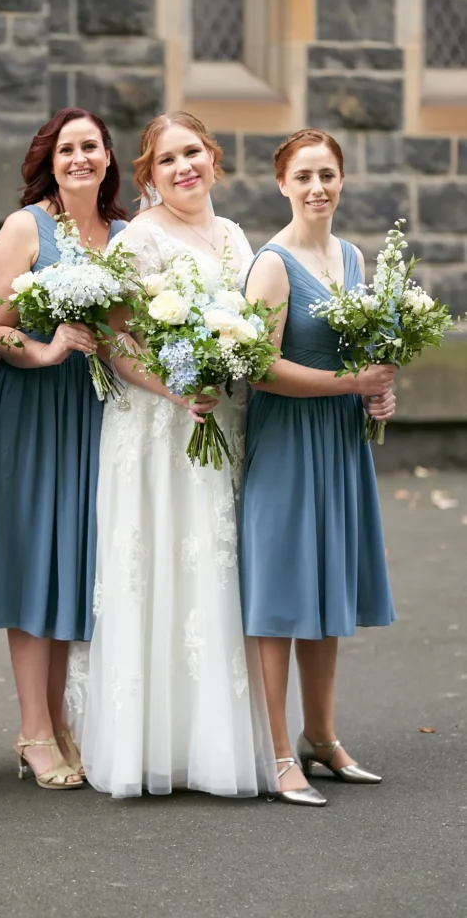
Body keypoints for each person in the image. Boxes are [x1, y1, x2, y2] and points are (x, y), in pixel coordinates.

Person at [66, 111, 279, 798]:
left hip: (224, 420)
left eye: (193, 153)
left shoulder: (235, 236)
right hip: (157, 432)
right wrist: (179, 388)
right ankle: (146, 745)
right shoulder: (140, 240)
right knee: (159, 566)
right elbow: (117, 344)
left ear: (214, 158)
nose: (183, 167)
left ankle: (218, 744)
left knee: (215, 572)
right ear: (150, 177)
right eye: (166, 161)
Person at [0, 108, 128, 790]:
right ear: (50, 160)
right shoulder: (26, 226)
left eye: (91, 146)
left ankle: (60, 721)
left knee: (77, 565)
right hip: (35, 413)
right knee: (37, 564)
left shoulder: (125, 234)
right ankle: (35, 729)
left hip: (103, 417)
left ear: (109, 156)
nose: (80, 157)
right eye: (68, 148)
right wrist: (49, 346)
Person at [240, 128, 396, 806]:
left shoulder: (354, 257)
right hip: (286, 444)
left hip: (339, 443)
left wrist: (380, 395)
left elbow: (366, 358)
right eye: (303, 176)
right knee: (279, 597)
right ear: (282, 183)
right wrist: (346, 385)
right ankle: (276, 753)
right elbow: (257, 367)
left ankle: (322, 737)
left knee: (326, 591)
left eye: (327, 174)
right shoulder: (272, 265)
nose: (317, 188)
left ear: (342, 179)